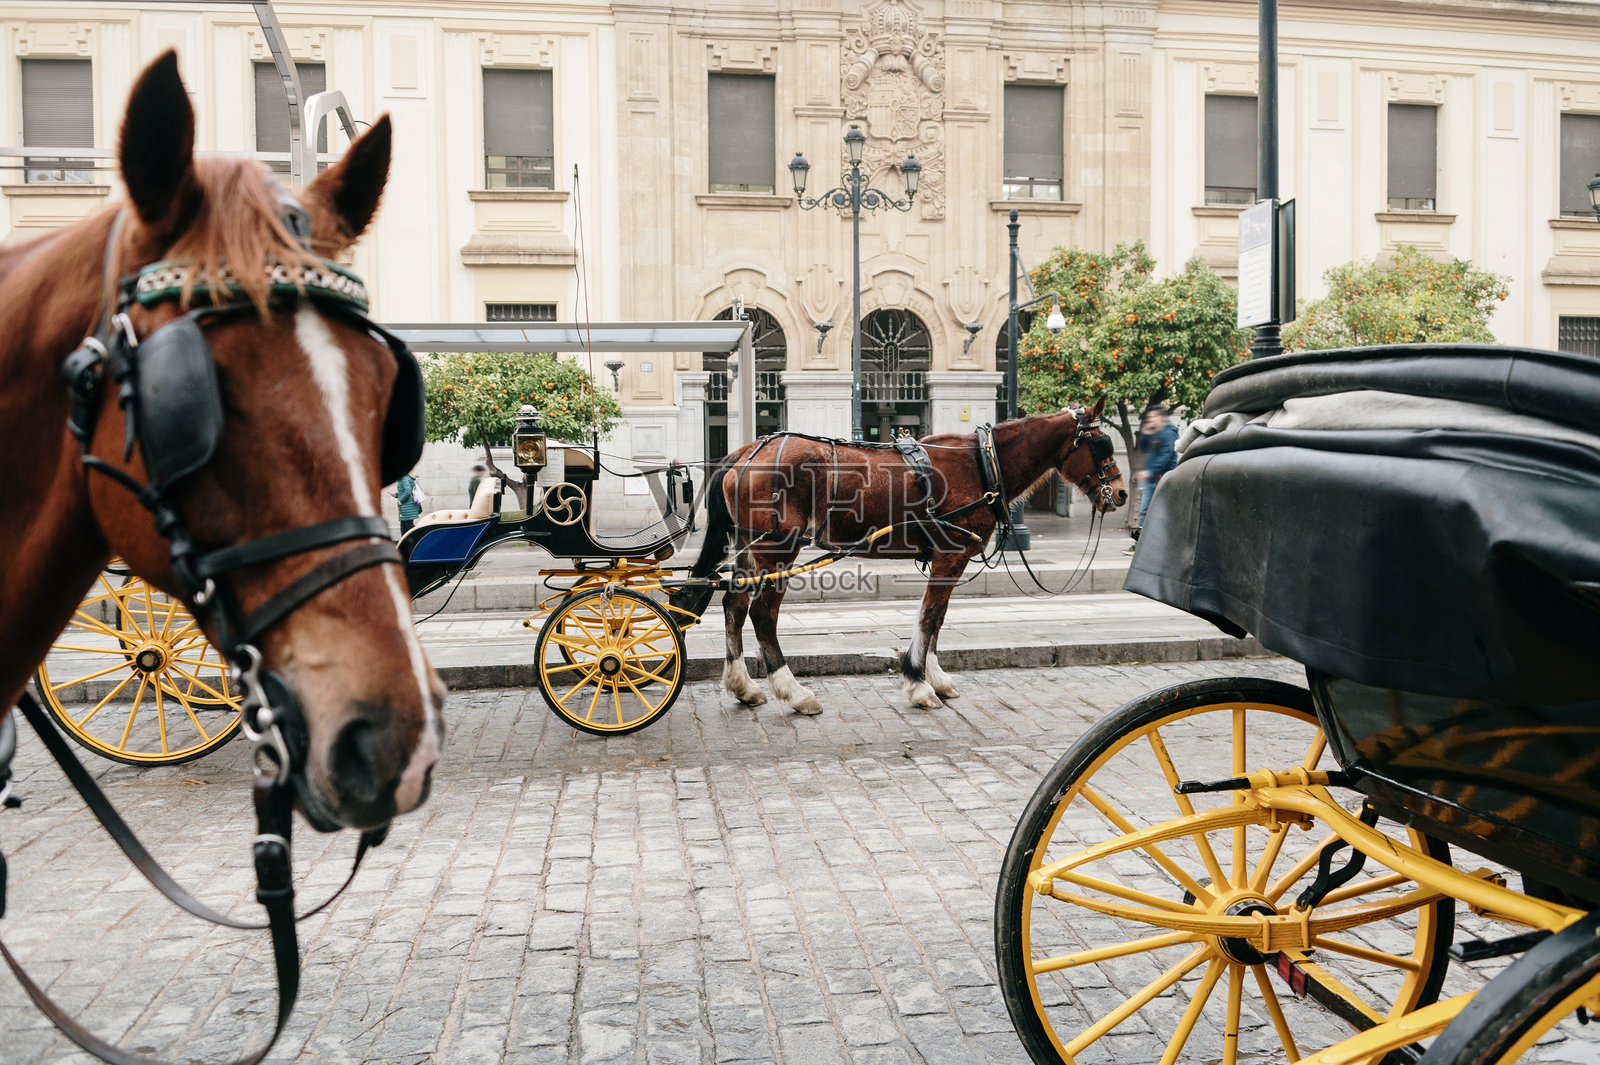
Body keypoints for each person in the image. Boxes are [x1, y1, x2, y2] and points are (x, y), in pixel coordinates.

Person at [1126, 407, 1178, 552]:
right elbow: (1142, 448)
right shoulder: (1155, 433)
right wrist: (1145, 433)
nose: (1150, 420)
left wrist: (1149, 472)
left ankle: (1141, 545)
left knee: (1150, 511)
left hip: (1161, 478)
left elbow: (1165, 456)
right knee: (1148, 511)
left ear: (1161, 418)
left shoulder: (1168, 434)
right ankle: (1142, 544)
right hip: (1151, 478)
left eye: (1153, 417)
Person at [393, 469, 424, 535]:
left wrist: (401, 500)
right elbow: (407, 491)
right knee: (404, 526)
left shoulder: (404, 479)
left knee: (408, 526)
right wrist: (397, 495)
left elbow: (408, 492)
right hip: (407, 506)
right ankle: (404, 543)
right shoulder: (406, 478)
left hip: (406, 506)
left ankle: (417, 538)